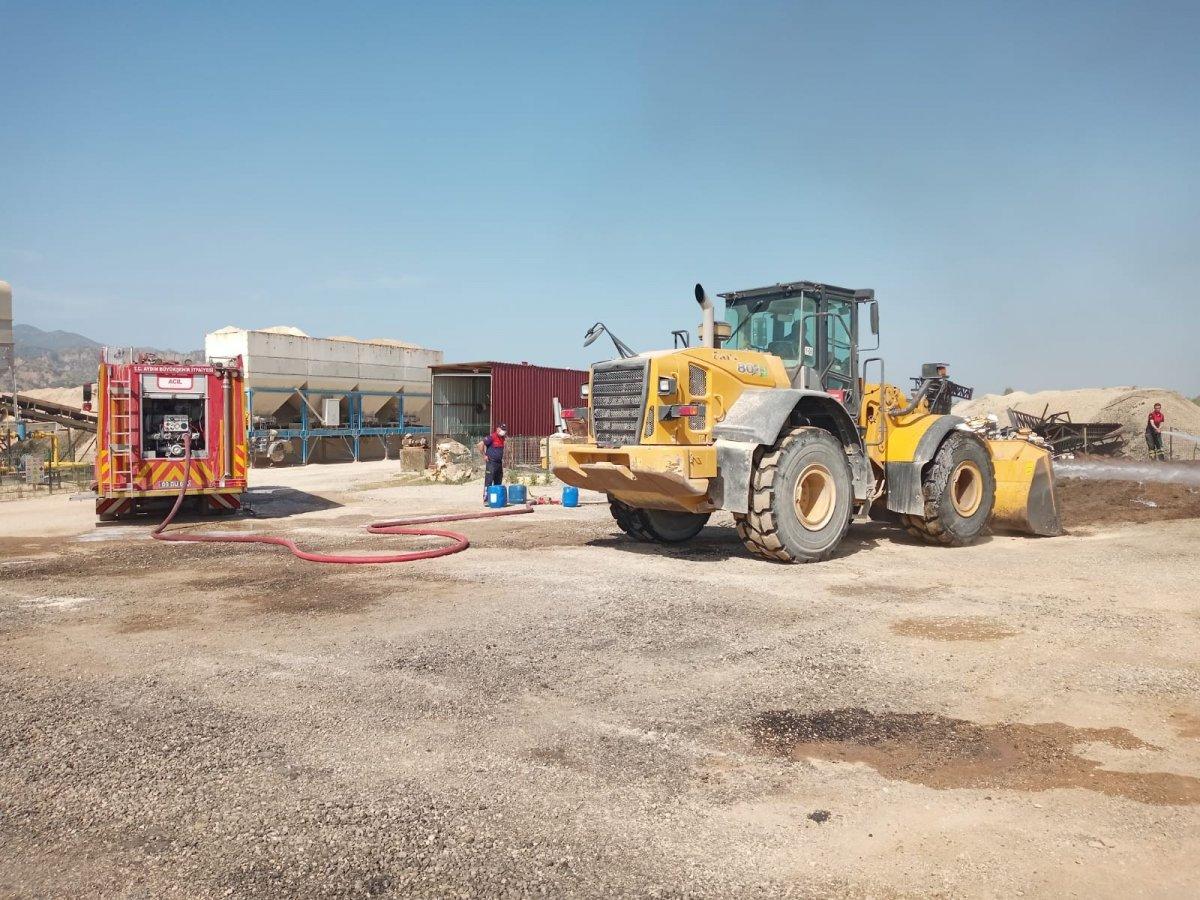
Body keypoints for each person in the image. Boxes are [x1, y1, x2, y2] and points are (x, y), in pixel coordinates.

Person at [480, 423, 507, 503]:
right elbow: (480, 444)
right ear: (498, 429)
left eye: (505, 430)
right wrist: (484, 455)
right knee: (489, 481)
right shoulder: (491, 437)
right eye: (502, 430)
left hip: (499, 463)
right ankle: (486, 499)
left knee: (498, 481)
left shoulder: (502, 438)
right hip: (491, 463)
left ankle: (496, 499)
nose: (503, 432)